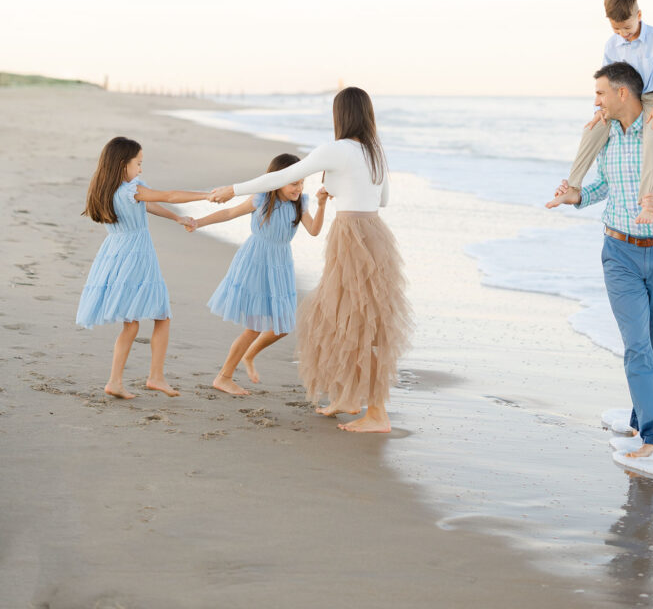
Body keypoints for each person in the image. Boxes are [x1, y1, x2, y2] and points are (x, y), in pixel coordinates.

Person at [210, 86, 412, 434]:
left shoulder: (335, 149)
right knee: (343, 317)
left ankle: (377, 413)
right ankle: (348, 397)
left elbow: (283, 176)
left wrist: (234, 188)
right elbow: (385, 199)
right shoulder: (374, 152)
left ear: (340, 115)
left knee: (358, 321)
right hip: (374, 234)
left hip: (351, 235)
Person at [546, 62, 653, 459]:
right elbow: (604, 186)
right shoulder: (605, 136)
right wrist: (577, 196)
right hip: (619, 253)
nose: (595, 101)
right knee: (637, 347)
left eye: (601, 93)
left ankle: (638, 423)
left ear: (622, 94)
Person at [77, 136, 211, 399]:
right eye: (138, 163)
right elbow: (169, 195)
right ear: (122, 164)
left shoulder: (111, 189)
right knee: (161, 314)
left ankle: (117, 381)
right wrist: (207, 194)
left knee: (133, 323)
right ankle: (155, 377)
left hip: (116, 255)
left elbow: (150, 204)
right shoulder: (131, 191)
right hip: (136, 257)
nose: (141, 169)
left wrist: (177, 218)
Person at [185, 154, 328, 395]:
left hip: (280, 263)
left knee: (283, 325)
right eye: (294, 183)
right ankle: (224, 377)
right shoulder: (261, 198)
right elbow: (229, 213)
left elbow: (314, 231)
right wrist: (199, 222)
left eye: (301, 182)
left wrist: (322, 205)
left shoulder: (300, 203)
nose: (299, 187)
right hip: (256, 260)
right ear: (277, 181)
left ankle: (249, 355)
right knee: (254, 326)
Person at [563, 0, 653, 225]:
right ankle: (573, 186)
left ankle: (647, 204)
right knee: (593, 129)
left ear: (639, 15)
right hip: (623, 98)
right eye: (616, 29)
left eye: (627, 28)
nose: (623, 34)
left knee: (652, 134)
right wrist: (601, 110)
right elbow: (606, 79)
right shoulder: (612, 45)